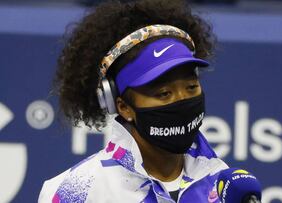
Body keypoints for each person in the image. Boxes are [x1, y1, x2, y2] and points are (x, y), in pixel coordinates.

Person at [38, 0, 228, 202]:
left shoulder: (224, 184)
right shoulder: (75, 192)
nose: (182, 100)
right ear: (124, 107)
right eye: (164, 93)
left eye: (191, 87)